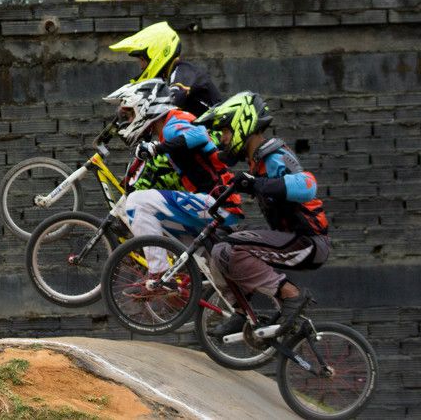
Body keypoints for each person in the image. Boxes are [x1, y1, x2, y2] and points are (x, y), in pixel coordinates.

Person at [195, 92, 329, 335]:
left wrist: (256, 184)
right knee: (221, 248)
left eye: (225, 131)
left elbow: (307, 185)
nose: (223, 139)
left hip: (308, 241)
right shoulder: (256, 161)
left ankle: (291, 294)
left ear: (241, 123)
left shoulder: (274, 155)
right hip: (291, 241)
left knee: (231, 248)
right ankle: (242, 311)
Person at [103, 79, 243, 279]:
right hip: (213, 207)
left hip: (218, 205)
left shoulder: (173, 123)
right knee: (165, 232)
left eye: (131, 113)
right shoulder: (168, 129)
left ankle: (159, 274)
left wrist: (156, 148)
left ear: (146, 107)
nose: (129, 120)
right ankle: (181, 291)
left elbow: (200, 135)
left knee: (137, 202)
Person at [109, 21, 221, 117]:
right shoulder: (171, 75)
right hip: (198, 134)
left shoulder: (182, 72)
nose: (141, 66)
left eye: (142, 60)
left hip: (215, 136)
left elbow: (171, 103)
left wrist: (138, 108)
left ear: (158, 53)